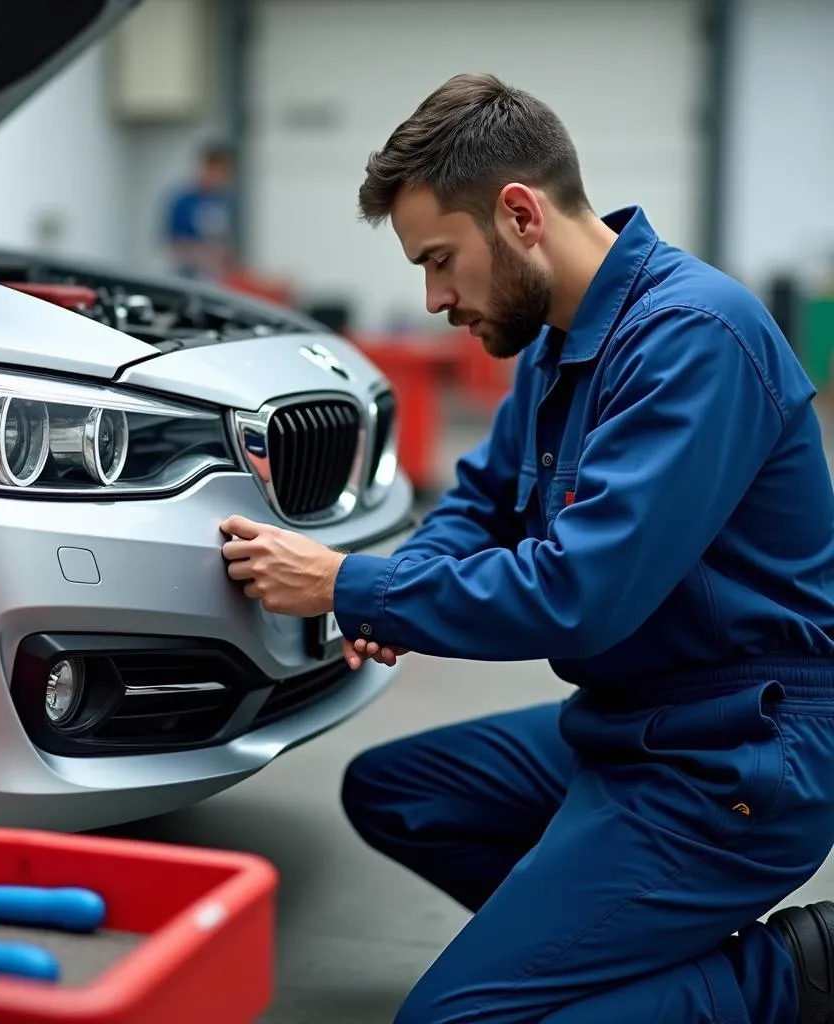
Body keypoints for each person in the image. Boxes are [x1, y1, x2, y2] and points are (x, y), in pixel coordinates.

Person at [219, 72, 834, 1024]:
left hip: (737, 752)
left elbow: (580, 594)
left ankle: (786, 979)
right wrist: (398, 585)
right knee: (399, 792)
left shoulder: (693, 337)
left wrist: (347, 584)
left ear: (518, 215)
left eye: (439, 260)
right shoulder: (558, 343)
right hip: (633, 719)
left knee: (450, 1021)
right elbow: (481, 504)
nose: (432, 298)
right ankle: (602, 957)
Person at [162, 141, 235, 281]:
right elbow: (173, 242)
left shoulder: (226, 201)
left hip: (218, 276)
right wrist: (202, 255)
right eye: (217, 171)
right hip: (188, 275)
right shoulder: (184, 201)